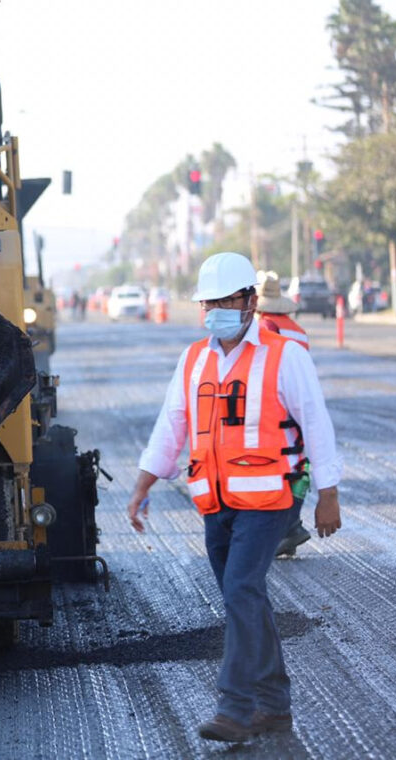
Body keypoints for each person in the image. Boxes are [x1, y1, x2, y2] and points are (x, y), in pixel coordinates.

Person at [126, 251, 342, 744]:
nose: (217, 309)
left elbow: (317, 426)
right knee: (243, 600)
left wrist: (327, 494)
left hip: (271, 501)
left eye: (227, 300)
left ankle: (236, 708)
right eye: (210, 302)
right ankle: (275, 706)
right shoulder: (194, 359)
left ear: (250, 302)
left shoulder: (285, 356)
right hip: (216, 503)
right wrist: (143, 484)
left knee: (242, 591)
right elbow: (171, 426)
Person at [255, 271, 312, 557]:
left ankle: (287, 527)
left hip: (276, 402)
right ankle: (290, 526)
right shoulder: (298, 330)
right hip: (301, 400)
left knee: (275, 466)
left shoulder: (264, 325)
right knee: (299, 465)